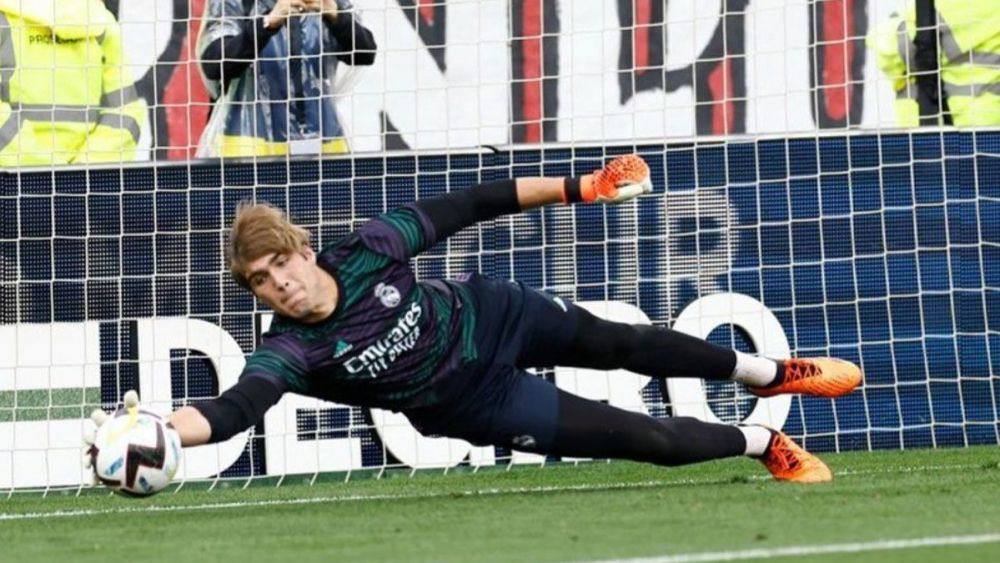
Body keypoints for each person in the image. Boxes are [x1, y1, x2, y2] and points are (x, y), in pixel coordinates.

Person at [99, 155, 863, 484]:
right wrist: (161, 429)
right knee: (649, 439)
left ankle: (771, 373)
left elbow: (473, 204)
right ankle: (763, 440)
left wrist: (583, 185)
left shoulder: (369, 246)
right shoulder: (290, 350)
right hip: (474, 403)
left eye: (281, 266)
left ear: (303, 248)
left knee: (626, 342)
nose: (280, 287)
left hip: (493, 318)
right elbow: (233, 411)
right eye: (261, 284)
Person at [196, 0, 376, 158]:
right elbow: (214, 64)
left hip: (323, 142)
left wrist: (336, 17)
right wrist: (267, 24)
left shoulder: (330, 3)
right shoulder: (237, 3)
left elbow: (365, 53)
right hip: (249, 145)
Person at [0, 0, 146, 166]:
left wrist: (44, 169)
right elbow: (126, 112)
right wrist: (82, 171)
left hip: (13, 183)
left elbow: (126, 111)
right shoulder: (98, 20)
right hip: (87, 186)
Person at [868, 0, 1000, 127]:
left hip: (956, 130)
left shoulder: (972, 4)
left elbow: (892, 51)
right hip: (972, 126)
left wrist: (896, 22)